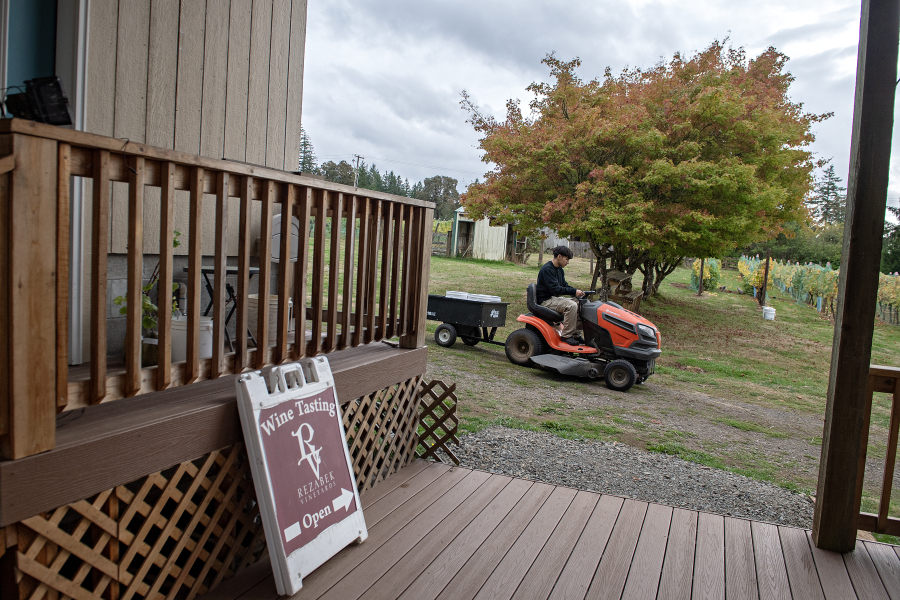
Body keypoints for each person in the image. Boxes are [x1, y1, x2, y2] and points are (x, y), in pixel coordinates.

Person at [536, 246, 584, 345]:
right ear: (559, 256)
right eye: (566, 259)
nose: (568, 262)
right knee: (571, 305)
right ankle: (566, 336)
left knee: (579, 303)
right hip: (545, 301)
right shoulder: (547, 269)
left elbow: (564, 285)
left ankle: (576, 334)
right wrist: (574, 291)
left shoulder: (559, 270)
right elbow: (556, 289)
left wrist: (576, 292)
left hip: (553, 298)